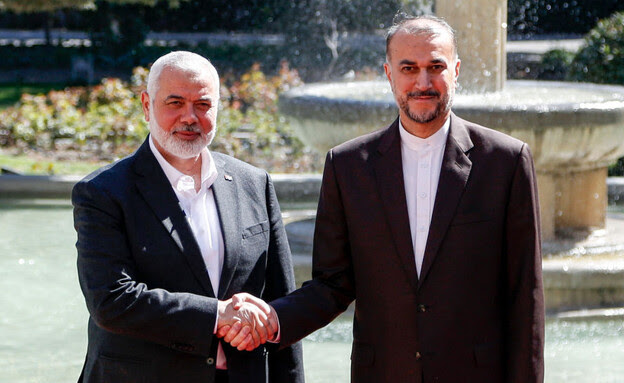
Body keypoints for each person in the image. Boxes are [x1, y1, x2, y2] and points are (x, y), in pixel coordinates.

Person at [223, 14, 545, 382]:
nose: (422, 82)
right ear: (389, 74)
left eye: (435, 67)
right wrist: (273, 319)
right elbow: (332, 284)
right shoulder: (347, 166)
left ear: (455, 71)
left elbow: (526, 296)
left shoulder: (505, 161)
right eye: (409, 68)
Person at [72, 51, 304, 383]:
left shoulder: (254, 183)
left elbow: (281, 303)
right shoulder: (102, 192)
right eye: (175, 103)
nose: (189, 117)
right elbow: (111, 300)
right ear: (146, 105)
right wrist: (218, 315)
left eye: (203, 105)